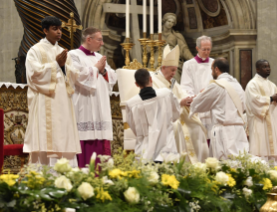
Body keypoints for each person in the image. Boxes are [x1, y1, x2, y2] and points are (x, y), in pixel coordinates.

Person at [23, 16, 81, 166]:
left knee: (63, 134)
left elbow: (73, 75)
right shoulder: (35, 50)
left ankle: (65, 170)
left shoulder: (62, 51)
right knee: (46, 136)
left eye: (60, 29)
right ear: (45, 30)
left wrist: (62, 66)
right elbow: (33, 74)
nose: (59, 32)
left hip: (63, 101)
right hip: (45, 100)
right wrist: (56, 64)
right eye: (55, 29)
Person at [69, 27, 117, 167]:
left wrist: (103, 72)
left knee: (101, 140)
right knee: (85, 138)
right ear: (88, 39)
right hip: (84, 103)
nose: (102, 43)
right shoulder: (73, 55)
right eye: (100, 39)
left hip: (100, 103)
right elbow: (77, 75)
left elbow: (112, 76)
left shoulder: (98, 57)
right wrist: (96, 68)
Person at [152, 45, 208, 163]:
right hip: (163, 118)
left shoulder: (172, 82)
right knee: (177, 127)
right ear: (163, 67)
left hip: (178, 113)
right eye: (172, 70)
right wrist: (179, 103)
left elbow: (182, 94)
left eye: (175, 70)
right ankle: (179, 164)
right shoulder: (154, 80)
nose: (174, 73)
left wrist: (191, 99)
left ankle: (197, 165)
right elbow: (156, 101)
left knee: (197, 128)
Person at [189, 58, 249, 159]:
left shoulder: (217, 86)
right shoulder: (238, 85)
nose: (212, 72)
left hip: (224, 132)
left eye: (212, 69)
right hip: (239, 130)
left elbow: (198, 103)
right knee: (241, 162)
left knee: (225, 164)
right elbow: (244, 106)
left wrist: (200, 94)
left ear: (216, 69)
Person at [126, 69, 180, 162]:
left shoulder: (131, 104)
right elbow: (176, 114)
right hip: (167, 151)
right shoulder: (166, 93)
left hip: (145, 153)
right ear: (151, 79)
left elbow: (134, 128)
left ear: (136, 84)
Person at [245, 59, 277, 167]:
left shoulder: (272, 85)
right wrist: (271, 98)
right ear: (257, 69)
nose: (268, 69)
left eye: (268, 66)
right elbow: (254, 101)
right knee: (261, 151)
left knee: (276, 156)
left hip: (273, 123)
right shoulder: (252, 85)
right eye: (264, 67)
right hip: (260, 124)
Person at [181, 35, 214, 132]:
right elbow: (186, 85)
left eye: (209, 49)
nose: (207, 52)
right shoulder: (188, 64)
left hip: (211, 104)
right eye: (204, 49)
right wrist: (194, 98)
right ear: (197, 48)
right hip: (197, 103)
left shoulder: (214, 63)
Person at [153, 13, 193, 82]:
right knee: (154, 68)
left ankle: (174, 88)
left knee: (174, 72)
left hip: (172, 56)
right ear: (164, 21)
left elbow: (184, 49)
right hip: (158, 56)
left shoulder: (176, 35)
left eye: (172, 22)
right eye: (169, 21)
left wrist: (193, 60)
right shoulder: (155, 36)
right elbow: (148, 49)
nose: (170, 24)